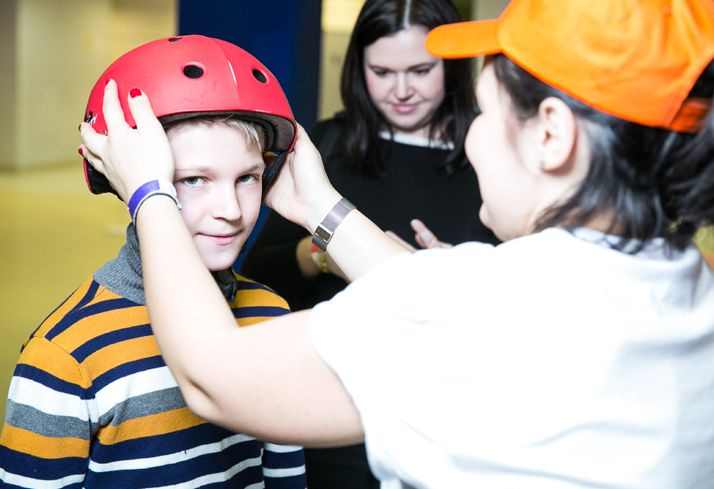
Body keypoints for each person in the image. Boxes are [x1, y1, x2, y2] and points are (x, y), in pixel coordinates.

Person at [80, 0, 714, 486]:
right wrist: (318, 207)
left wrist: (150, 191)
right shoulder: (690, 288)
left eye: (486, 112)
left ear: (551, 134)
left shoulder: (490, 312)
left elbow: (215, 376)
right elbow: (438, 297)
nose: (471, 135)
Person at [0, 35, 306, 488]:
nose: (231, 209)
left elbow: (283, 475)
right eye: (193, 180)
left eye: (247, 177)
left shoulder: (272, 316)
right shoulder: (67, 355)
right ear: (127, 181)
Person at [242, 1, 497, 485]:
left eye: (420, 71)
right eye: (382, 72)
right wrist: (322, 254)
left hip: (451, 426)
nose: (401, 91)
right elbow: (257, 278)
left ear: (453, 66)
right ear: (359, 68)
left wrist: (454, 271)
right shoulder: (328, 145)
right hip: (329, 419)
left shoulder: (491, 154)